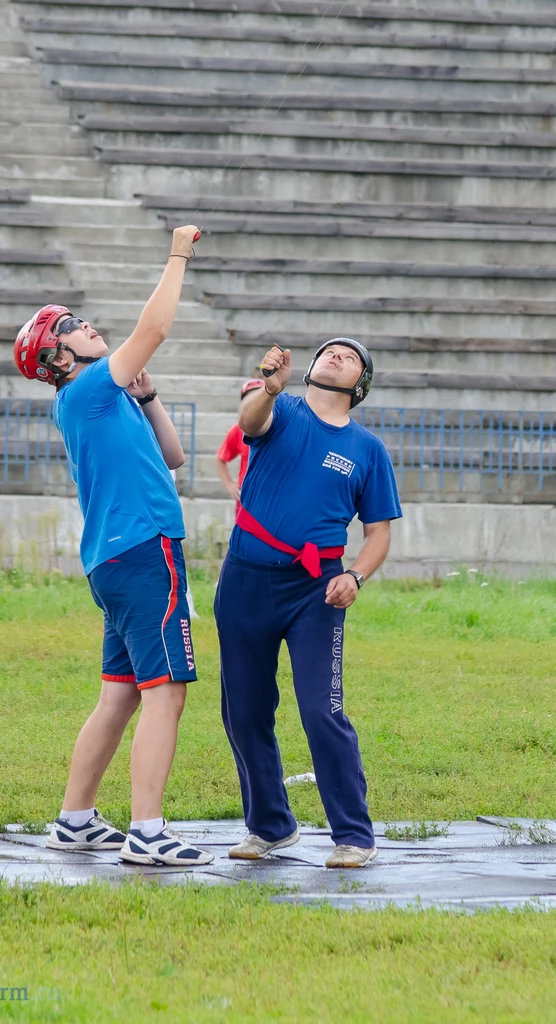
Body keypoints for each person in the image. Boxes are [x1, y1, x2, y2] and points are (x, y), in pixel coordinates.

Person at [13, 224, 214, 867]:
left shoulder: (101, 395)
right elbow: (155, 328)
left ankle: (75, 820)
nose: (87, 325)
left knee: (121, 694)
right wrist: (178, 254)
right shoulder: (93, 386)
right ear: (57, 359)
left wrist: (149, 396)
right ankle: (148, 832)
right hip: (144, 551)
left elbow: (173, 456)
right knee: (167, 691)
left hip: (116, 558)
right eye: (71, 326)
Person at [214, 339, 402, 868]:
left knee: (323, 710)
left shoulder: (367, 449)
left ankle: (354, 835)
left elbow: (379, 534)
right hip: (245, 579)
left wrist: (356, 577)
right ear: (311, 367)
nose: (336, 355)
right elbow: (249, 423)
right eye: (329, 351)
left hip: (316, 590)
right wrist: (270, 389)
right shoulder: (281, 409)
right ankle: (270, 826)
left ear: (360, 384)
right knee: (244, 710)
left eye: (350, 356)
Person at [215, 378, 265, 517]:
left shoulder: (282, 428)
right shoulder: (238, 430)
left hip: (275, 497)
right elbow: (220, 459)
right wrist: (229, 484)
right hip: (247, 499)